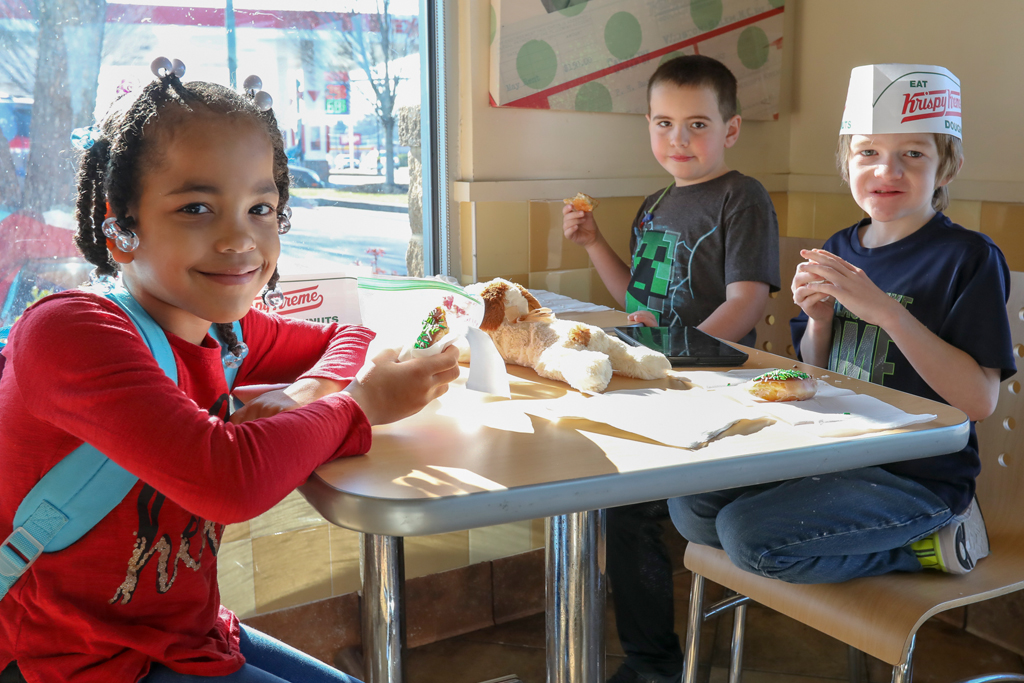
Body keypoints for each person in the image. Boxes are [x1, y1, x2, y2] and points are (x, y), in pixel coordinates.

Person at [0, 59, 459, 683]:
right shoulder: (71, 335)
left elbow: (349, 334)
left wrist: (309, 391)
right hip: (73, 662)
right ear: (121, 223)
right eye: (196, 207)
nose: (240, 240)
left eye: (261, 207)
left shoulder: (222, 328)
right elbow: (229, 478)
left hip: (185, 637)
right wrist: (362, 405)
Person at [670, 64, 1016, 588]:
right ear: (846, 163)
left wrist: (886, 312)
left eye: (913, 154)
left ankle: (927, 544)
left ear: (947, 168)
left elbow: (979, 403)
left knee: (747, 536)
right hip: (836, 450)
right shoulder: (837, 248)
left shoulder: (967, 258)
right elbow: (816, 375)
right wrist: (819, 321)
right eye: (869, 153)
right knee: (691, 505)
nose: (886, 171)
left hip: (917, 477)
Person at [562, 55, 780, 683]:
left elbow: (748, 300)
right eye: (663, 124)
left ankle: (652, 666)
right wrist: (594, 244)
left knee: (632, 510)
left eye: (696, 125)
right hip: (660, 382)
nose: (678, 140)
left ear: (730, 130)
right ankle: (649, 656)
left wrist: (677, 364)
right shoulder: (653, 204)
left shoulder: (742, 196)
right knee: (617, 504)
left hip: (710, 387)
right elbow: (638, 301)